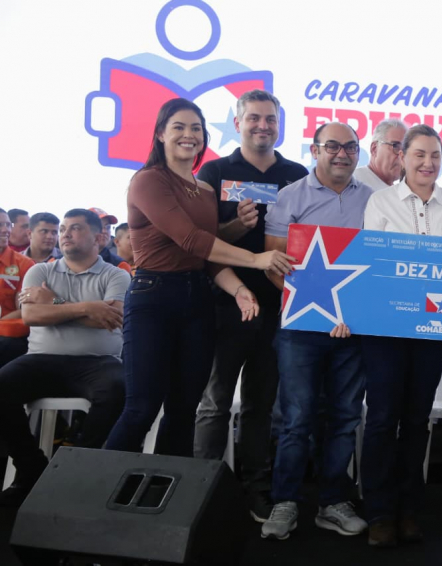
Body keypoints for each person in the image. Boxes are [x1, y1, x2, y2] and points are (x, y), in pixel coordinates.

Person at [105, 98, 290, 458]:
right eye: (178, 127)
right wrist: (256, 259)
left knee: (183, 410)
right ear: (161, 134)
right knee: (142, 408)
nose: (188, 135)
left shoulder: (203, 190)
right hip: (153, 298)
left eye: (196, 128)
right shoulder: (148, 180)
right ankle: (95, 490)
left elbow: (205, 256)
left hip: (198, 300)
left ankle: (162, 488)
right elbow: (192, 240)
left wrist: (238, 289)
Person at [193, 89, 308, 523]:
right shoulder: (215, 170)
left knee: (263, 404)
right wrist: (237, 227)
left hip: (281, 304)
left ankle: (257, 488)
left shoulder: (296, 174)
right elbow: (203, 242)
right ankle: (202, 493)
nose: (263, 125)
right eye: (254, 118)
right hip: (226, 301)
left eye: (270, 119)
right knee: (215, 402)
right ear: (237, 122)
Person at [360, 124, 442, 547]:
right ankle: (379, 512)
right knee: (382, 418)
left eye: (436, 155)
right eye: (420, 154)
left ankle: (408, 509)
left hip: (433, 327)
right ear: (402, 157)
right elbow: (375, 262)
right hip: (385, 327)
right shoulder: (380, 201)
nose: (428, 163)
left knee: (417, 419)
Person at [262, 122, 372, 541]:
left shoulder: (374, 200)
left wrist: (350, 313)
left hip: (353, 328)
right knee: (296, 418)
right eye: (333, 146)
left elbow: (378, 266)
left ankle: (333, 503)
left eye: (351, 147)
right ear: (314, 150)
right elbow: (274, 264)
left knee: (345, 417)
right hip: (301, 327)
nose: (342, 154)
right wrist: (317, 308)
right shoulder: (290, 197)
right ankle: (285, 501)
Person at [0, 209, 129, 507]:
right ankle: (31, 468)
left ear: (98, 237)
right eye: (63, 229)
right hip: (42, 359)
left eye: (75, 228)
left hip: (99, 361)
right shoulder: (40, 272)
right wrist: (88, 308)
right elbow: (32, 316)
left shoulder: (117, 275)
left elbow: (111, 320)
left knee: (117, 390)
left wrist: (54, 303)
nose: (65, 234)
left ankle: (73, 469)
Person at [0, 208, 35, 368]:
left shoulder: (24, 264)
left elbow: (26, 307)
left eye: (8, 225)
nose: (6, 230)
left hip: (9, 336)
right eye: (0, 225)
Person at [353, 119, 408, 191]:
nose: (401, 156)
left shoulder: (400, 192)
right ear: (374, 148)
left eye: (405, 149)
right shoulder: (354, 182)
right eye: (395, 146)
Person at [88, 207, 130, 273]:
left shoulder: (119, 266)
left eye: (108, 227)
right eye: (99, 226)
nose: (104, 231)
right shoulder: (72, 259)